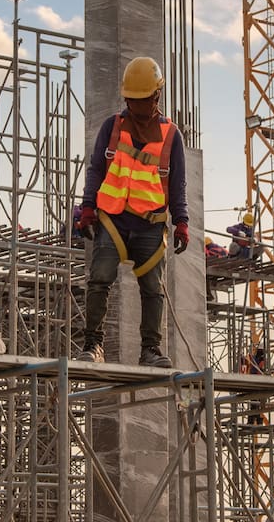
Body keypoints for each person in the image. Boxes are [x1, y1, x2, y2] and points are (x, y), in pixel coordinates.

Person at [75, 57, 189, 368]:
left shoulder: (171, 135)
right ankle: (92, 344)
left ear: (156, 96)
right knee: (99, 279)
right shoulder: (112, 127)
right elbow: (96, 169)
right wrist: (88, 207)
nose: (136, 105)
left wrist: (181, 221)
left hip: (150, 224)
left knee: (153, 289)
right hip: (113, 220)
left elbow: (177, 183)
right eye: (132, 100)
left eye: (142, 99)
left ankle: (150, 350)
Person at [239, 347, 268, 424]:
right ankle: (255, 420)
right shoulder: (259, 359)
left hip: (255, 382)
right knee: (256, 403)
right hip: (257, 383)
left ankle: (254, 420)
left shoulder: (255, 358)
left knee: (255, 403)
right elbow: (259, 369)